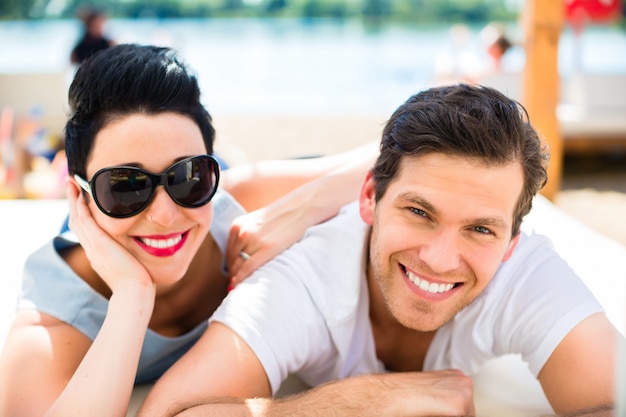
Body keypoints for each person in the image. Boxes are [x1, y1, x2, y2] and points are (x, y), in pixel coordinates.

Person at [138, 84, 622, 417]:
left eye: (479, 229)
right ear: (369, 198)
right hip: (254, 215)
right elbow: (169, 413)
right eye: (419, 212)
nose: (439, 258)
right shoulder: (301, 280)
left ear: (511, 244)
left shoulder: (529, 271)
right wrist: (367, 399)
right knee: (245, 187)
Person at [0, 43, 382, 417]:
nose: (166, 215)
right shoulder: (50, 320)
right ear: (77, 196)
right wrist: (132, 297)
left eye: (189, 176)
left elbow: (398, 151)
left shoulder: (231, 205)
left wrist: (304, 207)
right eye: (125, 185)